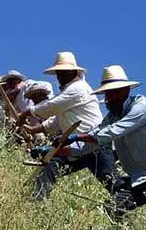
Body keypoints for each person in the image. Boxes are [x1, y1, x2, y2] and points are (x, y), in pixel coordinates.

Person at [65, 66, 146, 230]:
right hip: (143, 174)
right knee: (117, 205)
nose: (108, 99)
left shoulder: (141, 106)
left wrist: (77, 136)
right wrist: (57, 150)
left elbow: (109, 133)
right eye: (107, 95)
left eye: (113, 94)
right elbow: (89, 143)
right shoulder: (114, 114)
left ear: (126, 90)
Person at [16, 51, 112, 200]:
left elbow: (53, 106)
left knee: (112, 184)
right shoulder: (69, 90)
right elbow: (57, 120)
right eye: (58, 73)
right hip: (76, 146)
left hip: (94, 143)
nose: (59, 76)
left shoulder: (78, 88)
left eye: (63, 72)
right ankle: (36, 203)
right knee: (49, 166)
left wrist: (26, 113)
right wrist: (34, 129)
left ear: (73, 71)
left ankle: (124, 208)